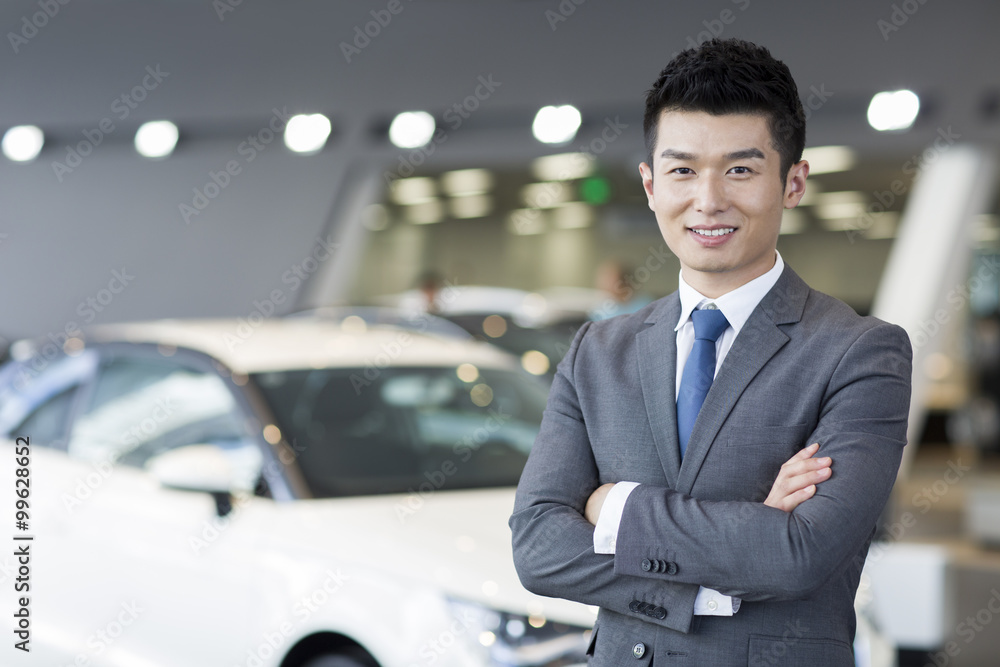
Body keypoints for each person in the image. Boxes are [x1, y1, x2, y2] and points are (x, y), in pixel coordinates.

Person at [509, 38, 912, 665]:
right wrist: (719, 568)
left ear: (794, 181)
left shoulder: (860, 353)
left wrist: (614, 508)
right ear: (649, 184)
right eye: (682, 170)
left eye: (741, 169)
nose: (709, 199)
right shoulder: (599, 350)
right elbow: (538, 545)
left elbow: (799, 553)